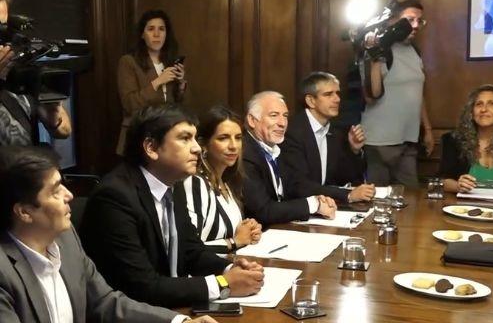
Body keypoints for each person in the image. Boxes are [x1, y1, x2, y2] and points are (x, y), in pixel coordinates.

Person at [0, 145, 217, 323]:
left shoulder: (66, 240)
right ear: (24, 212)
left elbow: (105, 303)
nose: (69, 195)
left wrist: (179, 322)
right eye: (55, 190)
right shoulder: (3, 271)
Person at [80, 104, 264, 308]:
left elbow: (191, 251)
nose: (197, 148)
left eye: (194, 138)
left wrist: (229, 268)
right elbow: (141, 286)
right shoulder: (114, 197)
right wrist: (223, 284)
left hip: (172, 306)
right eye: (185, 138)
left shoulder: (172, 184)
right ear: (151, 148)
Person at [360, 0, 434, 188]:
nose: (415, 26)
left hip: (408, 140)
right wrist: (374, 55)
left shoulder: (415, 51)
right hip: (379, 142)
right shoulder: (378, 50)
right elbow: (372, 95)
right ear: (393, 21)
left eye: (419, 21)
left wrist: (427, 129)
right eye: (409, 20)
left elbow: (418, 93)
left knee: (410, 197)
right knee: (377, 199)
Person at [174, 105, 262, 254]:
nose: (233, 146)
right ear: (204, 145)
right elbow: (188, 248)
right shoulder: (195, 183)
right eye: (223, 138)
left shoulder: (227, 182)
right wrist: (235, 241)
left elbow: (234, 233)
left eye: (238, 138)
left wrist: (250, 229)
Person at [242, 91, 338, 225]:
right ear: (252, 120)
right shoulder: (245, 154)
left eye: (285, 116)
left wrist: (319, 200)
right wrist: (312, 205)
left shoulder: (276, 149)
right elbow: (263, 211)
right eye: (274, 115)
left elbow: (296, 186)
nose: (282, 123)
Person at [280, 71, 375, 203]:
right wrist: (348, 195)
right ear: (311, 101)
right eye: (328, 94)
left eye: (337, 93)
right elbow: (299, 185)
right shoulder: (292, 132)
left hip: (330, 205)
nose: (337, 99)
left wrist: (354, 150)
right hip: (301, 206)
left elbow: (347, 177)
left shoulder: (337, 130)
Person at [0, 0, 71, 147]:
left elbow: (65, 131)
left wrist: (54, 117)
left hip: (26, 162)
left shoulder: (19, 68)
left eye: (2, 26)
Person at [116, 9, 186, 155]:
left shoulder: (169, 62)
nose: (157, 34)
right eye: (151, 29)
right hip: (139, 134)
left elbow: (179, 107)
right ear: (142, 34)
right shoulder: (128, 62)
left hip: (167, 135)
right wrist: (157, 82)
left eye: (161, 29)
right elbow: (130, 104)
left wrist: (180, 84)